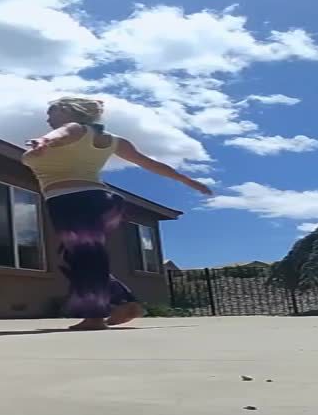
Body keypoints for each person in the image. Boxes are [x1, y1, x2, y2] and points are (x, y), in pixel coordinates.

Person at [22, 97, 212, 330]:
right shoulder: (113, 140)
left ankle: (95, 316)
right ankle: (124, 303)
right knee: (75, 258)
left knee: (84, 257)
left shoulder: (74, 128)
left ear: (67, 112)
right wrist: (187, 180)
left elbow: (59, 134)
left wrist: (43, 141)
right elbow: (148, 163)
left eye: (51, 113)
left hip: (74, 201)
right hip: (101, 201)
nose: (48, 119)